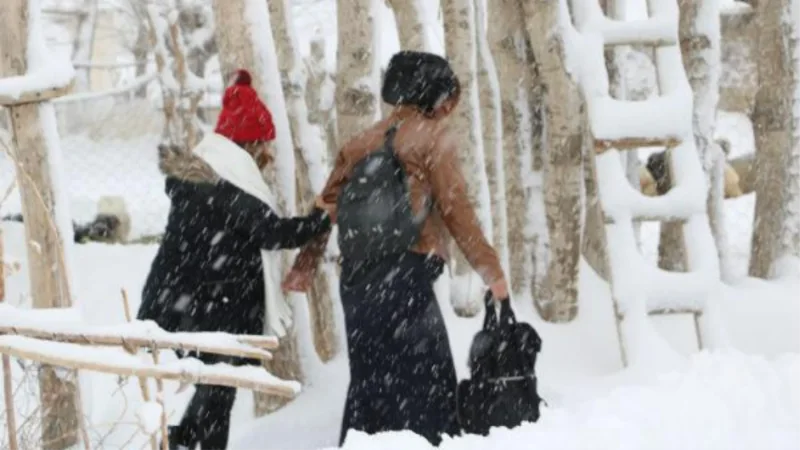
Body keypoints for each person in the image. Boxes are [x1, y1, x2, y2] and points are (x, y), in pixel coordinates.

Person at [283, 51, 509, 446]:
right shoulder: (431, 139)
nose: (450, 109)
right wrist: (493, 275)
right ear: (436, 95)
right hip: (407, 277)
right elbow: (458, 213)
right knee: (426, 384)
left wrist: (305, 265)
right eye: (449, 98)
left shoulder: (360, 143)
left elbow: (324, 208)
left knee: (371, 383)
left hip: (357, 280)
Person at [136, 69, 331, 450]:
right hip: (209, 306)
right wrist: (321, 220)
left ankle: (177, 441)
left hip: (198, 302)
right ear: (247, 144)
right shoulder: (219, 185)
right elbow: (270, 232)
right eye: (264, 145)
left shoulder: (208, 178)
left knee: (215, 392)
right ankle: (182, 441)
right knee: (218, 393)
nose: (269, 155)